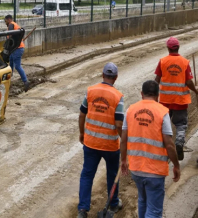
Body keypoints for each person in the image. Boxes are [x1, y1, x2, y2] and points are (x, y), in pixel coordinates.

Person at [121, 80, 180, 218]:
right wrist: (176, 165)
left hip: (136, 169)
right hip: (155, 171)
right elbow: (170, 144)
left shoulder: (130, 110)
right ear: (157, 96)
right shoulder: (162, 112)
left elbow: (123, 139)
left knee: (143, 200)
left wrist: (123, 160)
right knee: (153, 210)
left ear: (142, 94)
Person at [77, 62, 124, 218]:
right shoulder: (118, 97)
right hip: (110, 146)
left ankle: (83, 210)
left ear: (103, 75)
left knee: (87, 175)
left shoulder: (90, 91)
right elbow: (118, 123)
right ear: (115, 78)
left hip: (90, 143)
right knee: (112, 174)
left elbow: (82, 114)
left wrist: (82, 133)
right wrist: (124, 139)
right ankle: (114, 203)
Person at [154, 37, 198, 160]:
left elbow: (156, 81)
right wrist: (195, 89)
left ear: (168, 48)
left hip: (164, 101)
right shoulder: (185, 62)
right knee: (180, 124)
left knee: (163, 125)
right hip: (180, 100)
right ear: (178, 47)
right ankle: (179, 142)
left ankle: (162, 148)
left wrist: (152, 96)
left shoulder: (162, 61)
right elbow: (189, 82)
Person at [4, 15, 29, 92]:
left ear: (8, 19)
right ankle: (9, 79)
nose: (5, 22)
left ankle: (25, 81)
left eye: (5, 20)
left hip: (17, 49)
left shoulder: (11, 24)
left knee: (17, 66)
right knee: (11, 62)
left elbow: (10, 35)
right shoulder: (15, 25)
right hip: (16, 48)